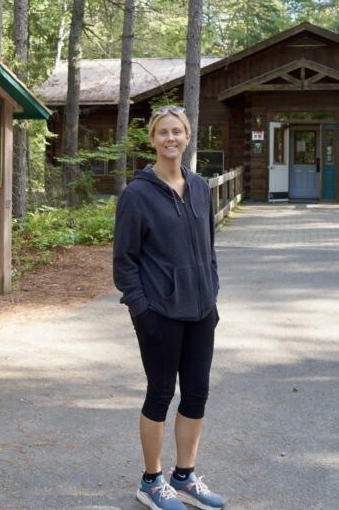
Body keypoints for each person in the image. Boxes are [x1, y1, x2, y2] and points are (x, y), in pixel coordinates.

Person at [113, 105, 226, 510]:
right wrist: (141, 311)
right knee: (161, 393)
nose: (171, 138)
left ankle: (185, 476)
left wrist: (211, 294)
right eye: (163, 132)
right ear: (152, 139)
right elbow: (124, 262)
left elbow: (209, 247)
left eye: (177, 131)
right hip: (159, 314)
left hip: (201, 312)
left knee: (196, 394)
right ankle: (151, 481)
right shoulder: (136, 195)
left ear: (188, 137)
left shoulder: (199, 187)